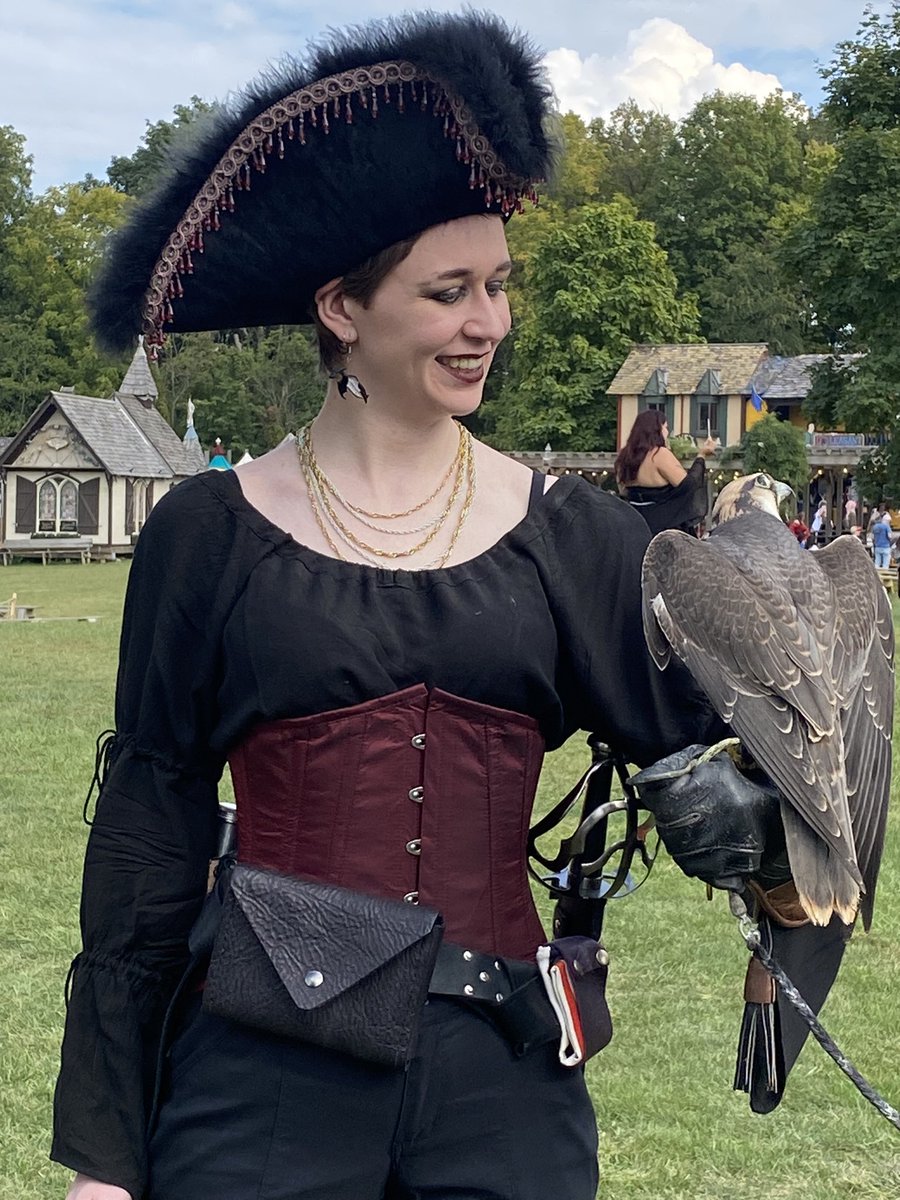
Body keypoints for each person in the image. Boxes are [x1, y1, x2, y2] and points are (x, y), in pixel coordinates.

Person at [51, 15, 786, 1200]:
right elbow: (147, 835)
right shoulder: (208, 536)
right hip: (261, 1088)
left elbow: (706, 753)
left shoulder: (570, 534)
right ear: (344, 307)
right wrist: (104, 1155)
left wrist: (757, 799)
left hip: (506, 1091)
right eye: (448, 292)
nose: (487, 322)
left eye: (498, 286)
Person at [614, 409, 717, 536]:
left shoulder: (624, 457)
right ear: (658, 429)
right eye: (666, 427)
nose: (667, 432)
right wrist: (701, 455)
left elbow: (622, 490)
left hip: (633, 522)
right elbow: (688, 484)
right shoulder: (659, 454)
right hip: (662, 525)